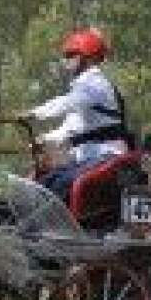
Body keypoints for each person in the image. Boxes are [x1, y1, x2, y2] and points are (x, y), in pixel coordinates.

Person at [22, 27, 130, 198]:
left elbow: (68, 102)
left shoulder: (95, 83)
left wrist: (35, 113)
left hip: (107, 154)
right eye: (66, 55)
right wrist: (43, 140)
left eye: (72, 55)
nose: (67, 60)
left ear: (88, 57)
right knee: (43, 180)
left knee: (59, 184)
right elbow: (71, 128)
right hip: (89, 157)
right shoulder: (82, 88)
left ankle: (56, 224)